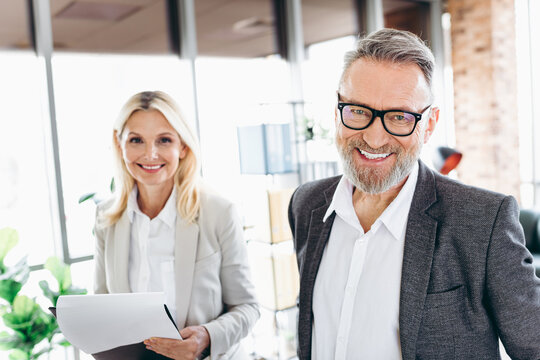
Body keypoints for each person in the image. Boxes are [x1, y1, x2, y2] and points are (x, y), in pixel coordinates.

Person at [288, 29, 540, 360]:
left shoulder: (483, 221)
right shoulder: (306, 204)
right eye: (359, 111)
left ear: (429, 123)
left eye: (399, 116)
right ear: (338, 110)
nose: (375, 139)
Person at [94, 91, 259, 360]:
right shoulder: (107, 218)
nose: (150, 154)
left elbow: (247, 306)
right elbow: (102, 304)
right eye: (136, 140)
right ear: (119, 143)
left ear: (182, 147)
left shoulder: (218, 213)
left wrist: (206, 336)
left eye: (164, 140)